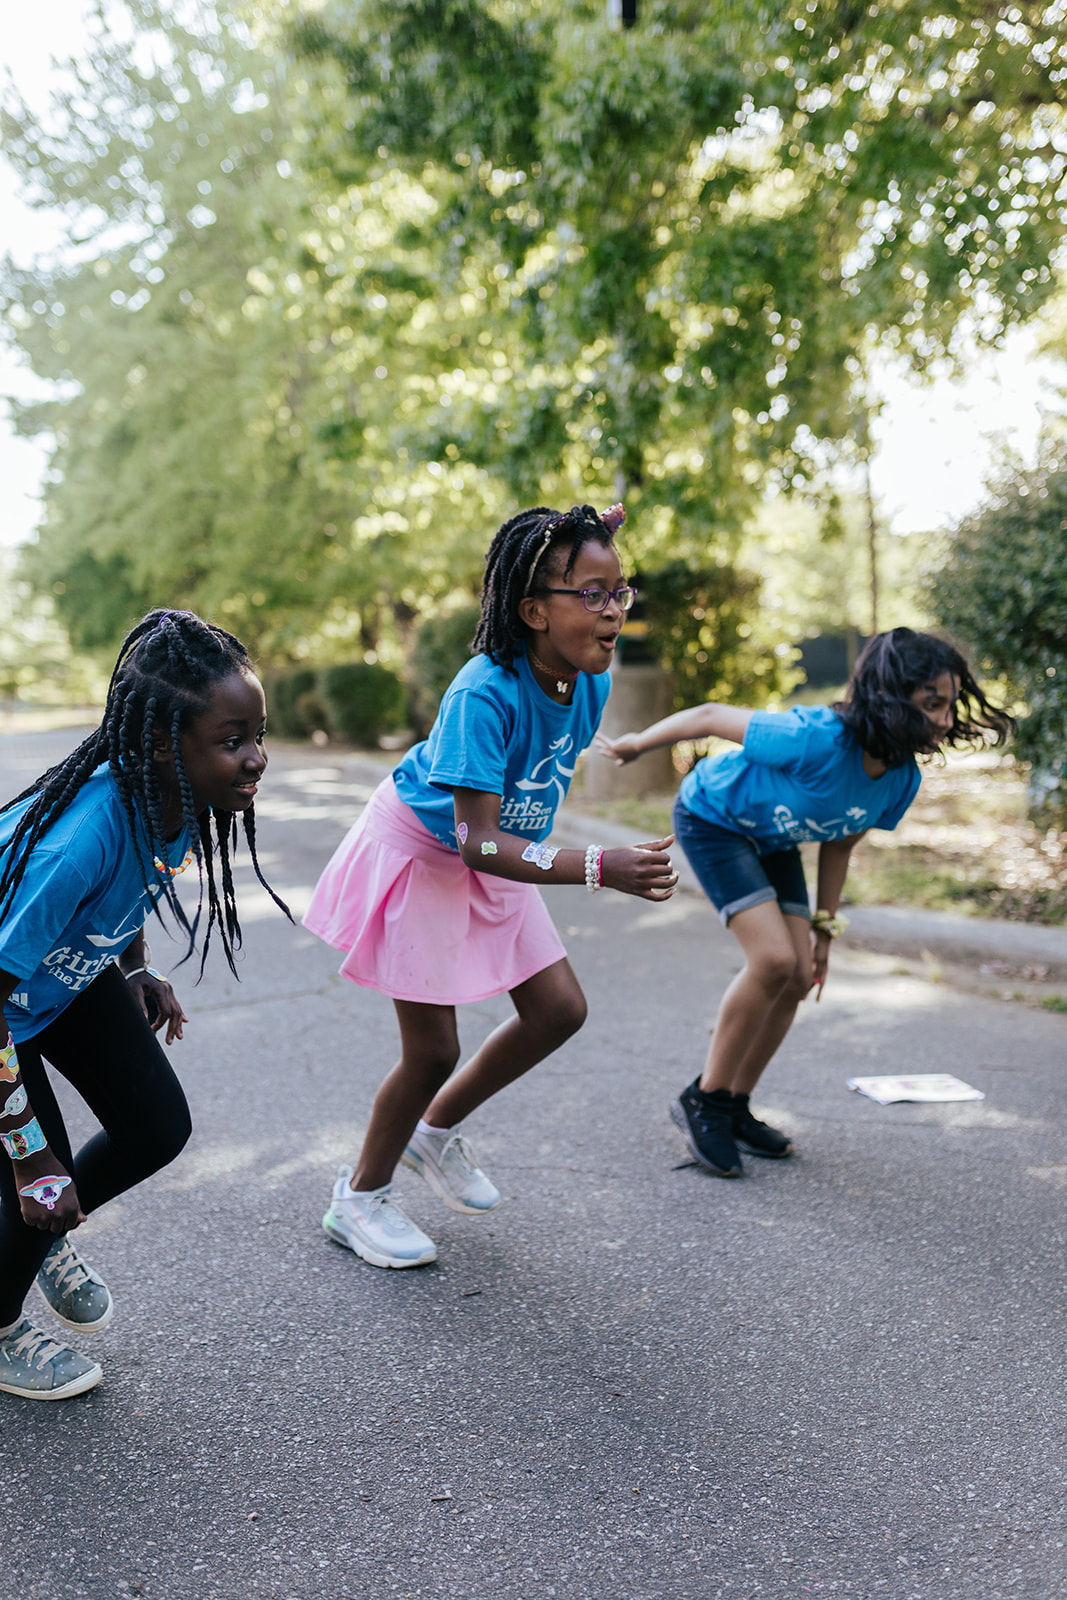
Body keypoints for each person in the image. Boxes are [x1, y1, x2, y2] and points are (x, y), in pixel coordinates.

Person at [304, 502, 678, 1269]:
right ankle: (358, 1200)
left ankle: (432, 1135)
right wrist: (599, 867)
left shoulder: (587, 680)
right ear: (534, 610)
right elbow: (475, 840)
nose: (613, 611)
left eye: (620, 592)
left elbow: (513, 818)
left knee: (558, 1010)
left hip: (497, 848)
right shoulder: (482, 692)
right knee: (432, 1048)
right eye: (593, 594)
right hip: (426, 851)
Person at [595, 628, 1015, 1179]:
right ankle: (705, 1098)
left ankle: (735, 1104)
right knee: (772, 961)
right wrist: (636, 743)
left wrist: (823, 930)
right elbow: (708, 715)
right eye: (932, 703)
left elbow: (841, 840)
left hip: (774, 838)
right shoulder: (813, 737)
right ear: (890, 696)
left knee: (798, 976)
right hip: (713, 821)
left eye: (949, 705)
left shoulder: (900, 779)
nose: (944, 719)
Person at [0, 609, 289, 1399]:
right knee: (40, 1173)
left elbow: (128, 891)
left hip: (55, 978)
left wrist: (133, 965)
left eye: (258, 732)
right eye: (233, 741)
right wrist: (30, 1162)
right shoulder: (77, 839)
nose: (256, 757)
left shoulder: (177, 800)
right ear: (163, 743)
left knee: (155, 1126)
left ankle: (32, 1237)